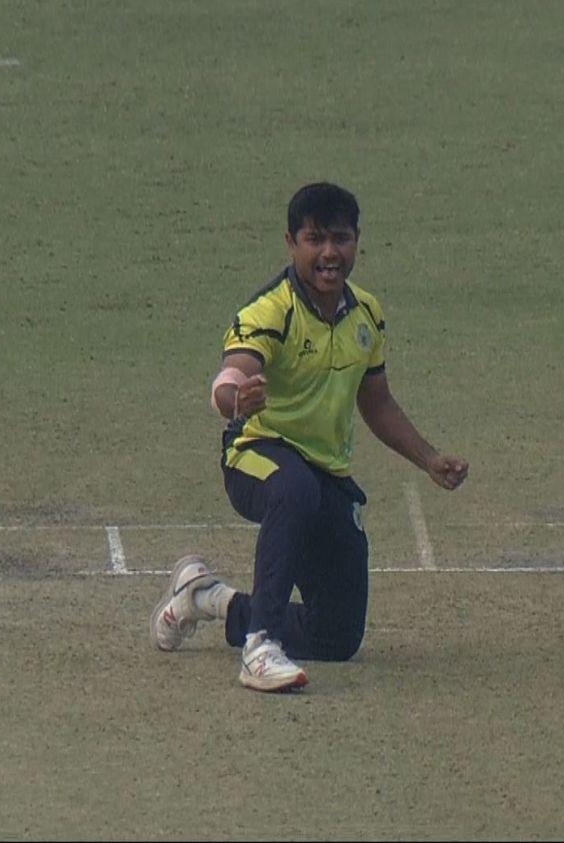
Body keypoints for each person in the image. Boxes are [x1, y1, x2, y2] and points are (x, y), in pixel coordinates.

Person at [150, 182, 469, 693]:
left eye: (340, 239)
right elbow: (231, 375)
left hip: (327, 476)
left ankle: (207, 598)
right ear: (291, 243)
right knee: (293, 489)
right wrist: (235, 400)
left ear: (357, 242)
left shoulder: (366, 314)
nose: (328, 254)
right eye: (314, 239)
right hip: (255, 456)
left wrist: (427, 458)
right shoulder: (270, 311)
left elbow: (377, 401)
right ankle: (260, 647)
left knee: (337, 636)